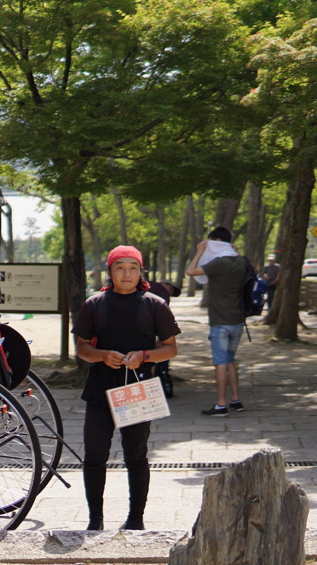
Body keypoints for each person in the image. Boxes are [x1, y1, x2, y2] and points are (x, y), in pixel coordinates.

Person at [72, 245, 180, 531]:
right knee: (95, 454)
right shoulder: (94, 304)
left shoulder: (154, 305)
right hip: (100, 389)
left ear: (141, 271)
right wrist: (101, 355)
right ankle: (95, 519)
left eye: (133, 267)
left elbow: (170, 349)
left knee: (136, 455)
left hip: (137, 389)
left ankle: (136, 519)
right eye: (120, 267)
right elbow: (81, 348)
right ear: (110, 271)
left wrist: (144, 356)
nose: (127, 273)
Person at [186, 226, 248, 416]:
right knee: (230, 360)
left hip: (220, 321)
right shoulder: (242, 261)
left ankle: (221, 404)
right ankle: (236, 400)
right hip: (238, 320)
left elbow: (191, 271)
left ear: (217, 242)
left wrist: (200, 251)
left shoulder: (218, 264)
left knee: (220, 362)